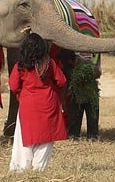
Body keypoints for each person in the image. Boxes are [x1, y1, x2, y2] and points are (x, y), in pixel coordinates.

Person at [8, 33, 68, 172]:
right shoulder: (50, 63)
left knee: (25, 138)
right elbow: (62, 81)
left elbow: (13, 85)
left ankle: (21, 168)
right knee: (47, 137)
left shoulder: (20, 66)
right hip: (49, 104)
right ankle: (39, 169)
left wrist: (21, 95)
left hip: (28, 105)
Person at [58, 49, 101, 141]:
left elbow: (98, 73)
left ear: (70, 59)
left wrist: (86, 75)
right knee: (74, 116)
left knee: (92, 116)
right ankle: (73, 135)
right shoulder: (65, 67)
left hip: (90, 94)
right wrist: (64, 101)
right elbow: (65, 83)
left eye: (64, 61)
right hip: (76, 94)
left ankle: (93, 136)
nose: (62, 63)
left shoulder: (85, 62)